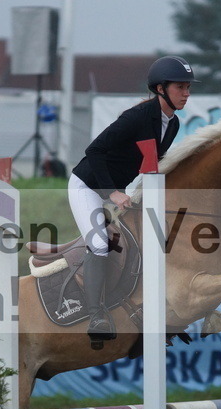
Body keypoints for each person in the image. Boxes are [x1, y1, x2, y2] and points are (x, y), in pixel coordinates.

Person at [68, 55, 197, 346]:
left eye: (188, 87)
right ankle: (96, 314)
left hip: (120, 189)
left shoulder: (172, 124)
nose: (187, 93)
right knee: (100, 243)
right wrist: (111, 191)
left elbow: (153, 165)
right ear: (160, 88)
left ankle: (167, 313)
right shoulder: (136, 117)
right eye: (181, 87)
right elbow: (94, 151)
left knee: (157, 240)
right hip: (86, 185)